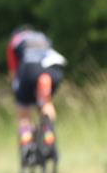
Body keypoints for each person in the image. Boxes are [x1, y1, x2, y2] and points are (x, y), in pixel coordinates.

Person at [6, 26, 66, 155]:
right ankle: (48, 133)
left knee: (24, 113)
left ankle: (26, 143)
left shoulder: (15, 41)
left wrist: (17, 92)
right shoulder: (42, 37)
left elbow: (13, 72)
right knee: (46, 103)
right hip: (52, 70)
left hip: (29, 70)